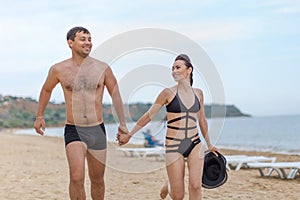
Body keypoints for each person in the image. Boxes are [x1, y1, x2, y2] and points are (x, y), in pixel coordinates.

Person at [34, 26, 128, 200]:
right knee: (77, 177)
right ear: (70, 43)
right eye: (83, 39)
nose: (88, 43)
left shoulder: (102, 68)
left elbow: (115, 94)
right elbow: (46, 90)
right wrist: (40, 116)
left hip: (96, 130)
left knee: (97, 179)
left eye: (90, 39)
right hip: (74, 129)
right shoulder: (59, 69)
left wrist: (122, 124)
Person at [118, 54, 217, 199]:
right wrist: (130, 135)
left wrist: (209, 144)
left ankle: (172, 181)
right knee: (178, 196)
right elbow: (148, 115)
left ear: (189, 70)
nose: (174, 71)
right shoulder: (167, 93)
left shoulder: (199, 93)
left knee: (195, 186)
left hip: (195, 143)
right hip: (173, 146)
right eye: (172, 68)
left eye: (178, 67)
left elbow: (202, 120)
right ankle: (169, 184)